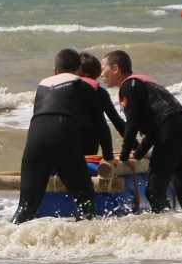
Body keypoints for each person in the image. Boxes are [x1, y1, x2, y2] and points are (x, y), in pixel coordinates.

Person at [12, 48, 113, 224]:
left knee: (26, 208)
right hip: (63, 138)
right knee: (85, 204)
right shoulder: (83, 86)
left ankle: (8, 238)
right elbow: (100, 126)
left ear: (55, 70)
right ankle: (84, 239)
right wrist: (109, 157)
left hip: (35, 139)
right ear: (79, 70)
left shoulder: (42, 86)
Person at [101, 50, 182, 213]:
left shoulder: (129, 85)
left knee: (154, 191)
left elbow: (132, 124)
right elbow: (155, 130)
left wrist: (124, 157)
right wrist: (138, 154)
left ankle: (168, 227)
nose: (101, 74)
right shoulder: (141, 83)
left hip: (171, 130)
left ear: (115, 68)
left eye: (103, 69)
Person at [78, 52, 126, 153]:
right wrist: (138, 148)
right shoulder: (99, 92)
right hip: (87, 147)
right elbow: (117, 122)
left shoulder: (64, 90)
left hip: (59, 143)